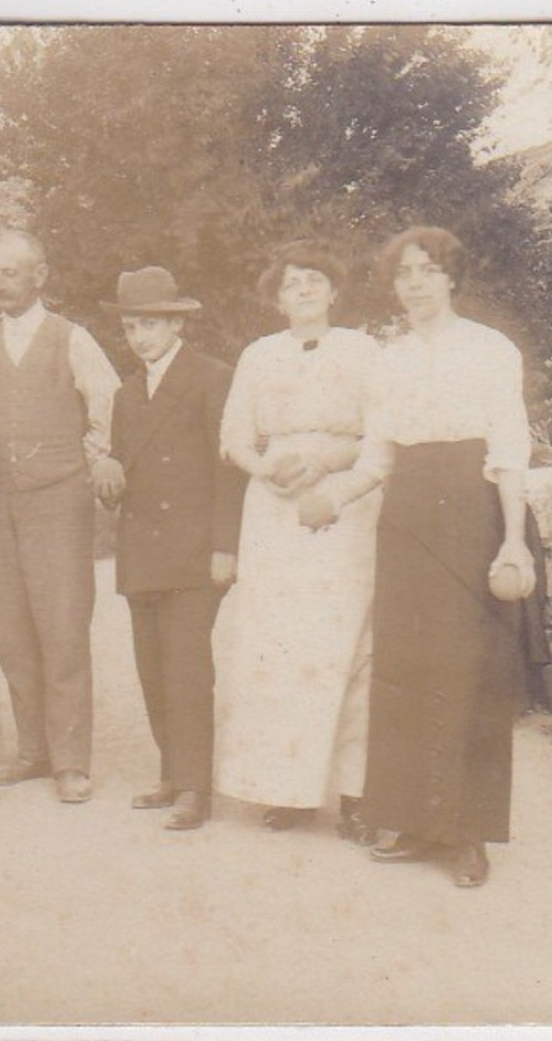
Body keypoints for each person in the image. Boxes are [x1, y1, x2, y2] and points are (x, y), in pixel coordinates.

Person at [315, 226, 540, 888]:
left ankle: (467, 832)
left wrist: (510, 538)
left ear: (450, 278)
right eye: (403, 273)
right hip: (405, 514)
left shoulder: (489, 350)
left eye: (426, 270)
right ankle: (414, 821)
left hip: (469, 508)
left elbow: (507, 449)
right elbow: (376, 458)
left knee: (469, 670)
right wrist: (330, 497)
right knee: (406, 669)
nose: (413, 283)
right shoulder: (386, 360)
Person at [212, 241, 384, 841]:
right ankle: (285, 790)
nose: (304, 291)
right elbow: (235, 436)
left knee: (346, 644)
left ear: (335, 292)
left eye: (315, 280)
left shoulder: (364, 350)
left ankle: (356, 793)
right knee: (279, 645)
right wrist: (268, 470)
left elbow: (382, 433)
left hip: (344, 503)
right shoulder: (258, 356)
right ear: (278, 299)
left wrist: (325, 461)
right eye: (292, 284)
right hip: (273, 509)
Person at [0, 229, 124, 803]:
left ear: (39, 276)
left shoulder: (72, 339)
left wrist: (92, 459)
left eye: (10, 273)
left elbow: (108, 408)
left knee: (64, 626)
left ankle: (71, 761)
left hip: (56, 499)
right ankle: (31, 751)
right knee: (12, 630)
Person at [101, 267, 244, 831]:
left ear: (177, 322)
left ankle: (194, 787)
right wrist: (108, 469)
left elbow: (228, 469)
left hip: (192, 551)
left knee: (187, 669)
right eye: (132, 325)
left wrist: (225, 547)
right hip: (142, 552)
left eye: (151, 324)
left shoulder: (212, 378)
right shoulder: (126, 393)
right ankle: (170, 772)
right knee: (152, 668)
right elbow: (124, 465)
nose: (140, 336)